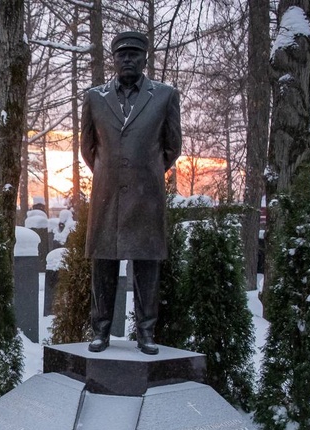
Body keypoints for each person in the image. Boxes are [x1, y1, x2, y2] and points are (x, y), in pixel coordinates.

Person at [81, 31, 182, 355]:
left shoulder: (165, 96)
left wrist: (147, 169)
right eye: (122, 55)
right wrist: (111, 172)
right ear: (114, 59)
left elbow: (172, 145)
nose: (127, 60)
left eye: (133, 55)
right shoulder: (94, 97)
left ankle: (146, 333)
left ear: (144, 58)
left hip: (146, 194)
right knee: (103, 265)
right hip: (107, 193)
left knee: (147, 265)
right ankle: (101, 331)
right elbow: (87, 148)